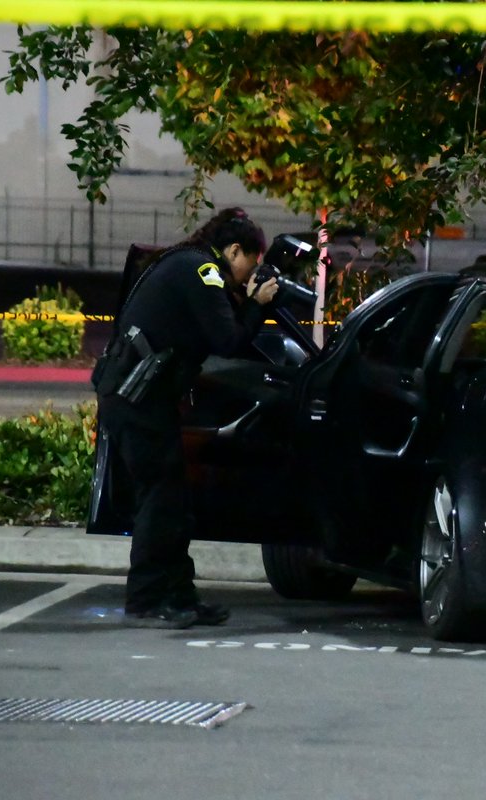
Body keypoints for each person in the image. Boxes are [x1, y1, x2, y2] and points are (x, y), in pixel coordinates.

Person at [95, 207, 279, 629]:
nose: (247, 276)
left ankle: (177, 595)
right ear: (234, 250)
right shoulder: (202, 271)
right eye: (249, 266)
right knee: (163, 502)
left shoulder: (188, 264)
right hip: (137, 400)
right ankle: (149, 596)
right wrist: (256, 304)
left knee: (170, 502)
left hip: (139, 399)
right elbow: (228, 339)